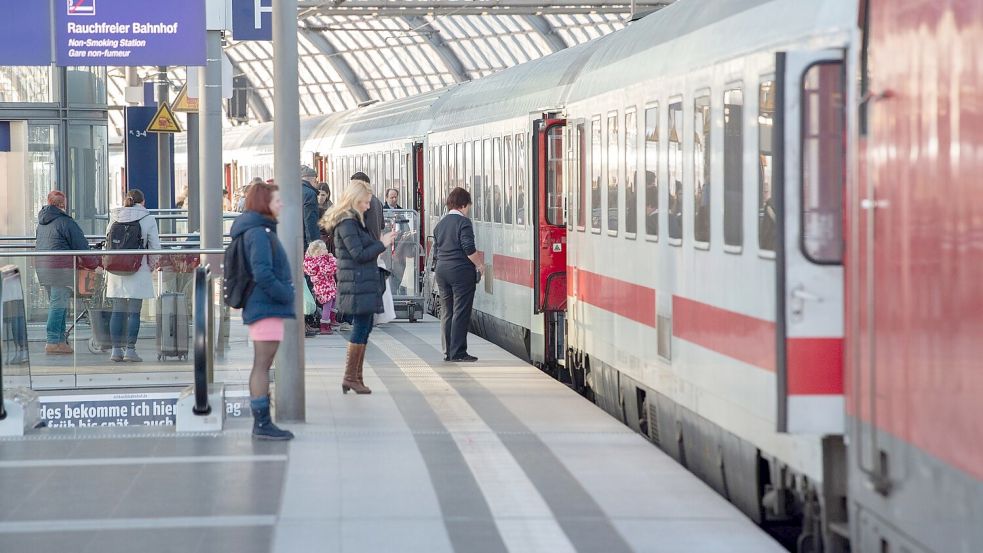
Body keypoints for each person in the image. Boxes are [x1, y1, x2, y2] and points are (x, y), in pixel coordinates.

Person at [229, 180, 295, 440]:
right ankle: (262, 423)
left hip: (264, 305)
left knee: (263, 364)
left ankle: (263, 422)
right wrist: (287, 293)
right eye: (276, 200)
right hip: (264, 305)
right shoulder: (259, 232)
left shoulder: (260, 229)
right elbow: (262, 272)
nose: (281, 204)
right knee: (262, 364)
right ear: (264, 203)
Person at [320, 179, 396, 394]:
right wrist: (382, 244)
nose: (368, 206)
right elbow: (359, 254)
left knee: (365, 327)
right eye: (365, 202)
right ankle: (351, 377)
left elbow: (363, 248)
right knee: (362, 327)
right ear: (355, 200)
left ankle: (355, 377)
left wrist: (381, 241)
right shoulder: (347, 224)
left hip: (360, 281)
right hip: (356, 282)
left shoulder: (353, 222)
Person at [105, 189, 161, 363]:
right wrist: (151, 266)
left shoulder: (115, 217)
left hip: (116, 270)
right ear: (142, 202)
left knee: (117, 311)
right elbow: (155, 247)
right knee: (134, 313)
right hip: (138, 268)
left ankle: (115, 350)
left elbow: (107, 242)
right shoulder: (148, 219)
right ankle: (130, 350)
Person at [34, 190, 93, 354]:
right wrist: (94, 263)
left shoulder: (42, 223)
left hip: (43, 268)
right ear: (63, 205)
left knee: (57, 304)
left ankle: (59, 340)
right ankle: (53, 340)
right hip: (60, 269)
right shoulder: (66, 222)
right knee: (58, 305)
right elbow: (81, 246)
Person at [433, 187, 483, 362]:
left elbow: (436, 248)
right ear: (463, 205)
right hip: (460, 272)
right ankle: (459, 352)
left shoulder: (440, 224)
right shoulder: (464, 223)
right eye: (468, 205)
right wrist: (480, 265)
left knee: (447, 311)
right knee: (461, 311)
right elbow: (468, 247)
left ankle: (448, 351)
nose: (468, 209)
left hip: (442, 271)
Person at [304, 240, 337, 335]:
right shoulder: (322, 260)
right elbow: (332, 269)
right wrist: (331, 258)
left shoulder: (313, 261)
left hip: (324, 286)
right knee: (328, 304)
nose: (327, 250)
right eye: (324, 249)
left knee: (333, 301)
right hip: (325, 288)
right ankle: (325, 324)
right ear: (318, 252)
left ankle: (330, 320)